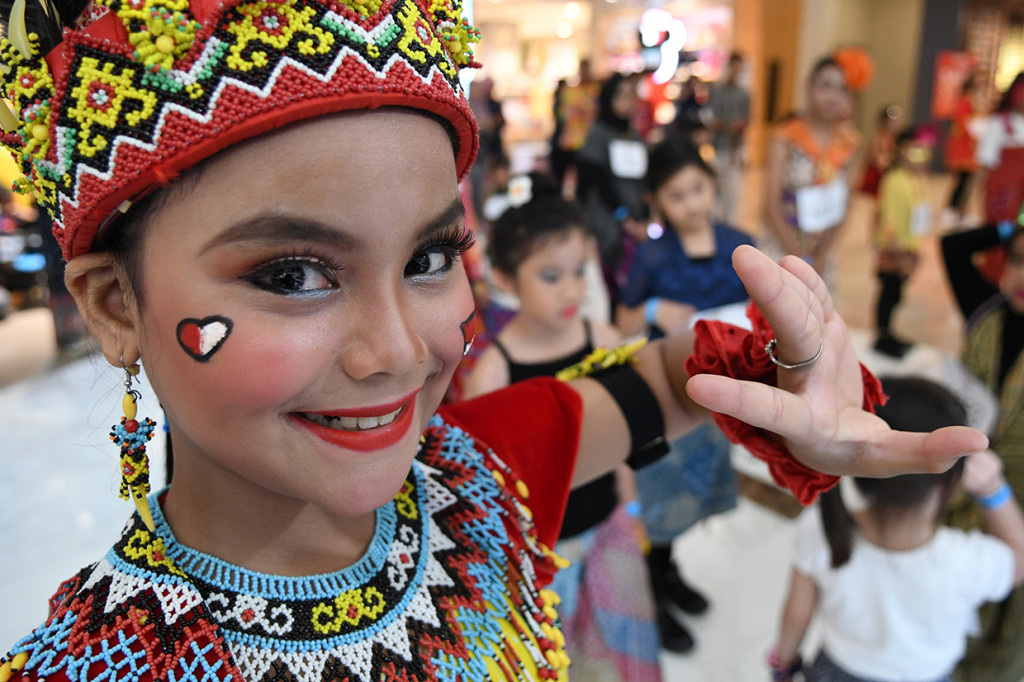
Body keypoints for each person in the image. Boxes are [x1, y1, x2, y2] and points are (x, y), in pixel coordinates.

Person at [0, 0, 988, 678]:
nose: (398, 349)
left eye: (430, 255)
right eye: (292, 274)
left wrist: (789, 375)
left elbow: (670, 381)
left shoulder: (476, 485)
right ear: (112, 304)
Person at [463, 173, 660, 681]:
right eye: (551, 277)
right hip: (544, 551)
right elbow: (488, 486)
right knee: (556, 658)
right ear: (505, 278)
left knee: (619, 647)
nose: (572, 290)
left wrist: (631, 505)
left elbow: (626, 439)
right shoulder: (494, 375)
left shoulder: (604, 338)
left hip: (608, 523)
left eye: (580, 271)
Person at [769, 376, 1024, 682]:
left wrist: (783, 663)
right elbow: (1018, 558)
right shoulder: (968, 561)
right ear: (954, 482)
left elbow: (797, 612)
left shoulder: (823, 525)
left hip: (834, 670)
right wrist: (993, 489)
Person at [615, 138, 754, 653]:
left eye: (698, 188)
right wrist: (652, 309)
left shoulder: (740, 243)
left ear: (713, 185)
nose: (693, 203)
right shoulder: (652, 257)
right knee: (659, 497)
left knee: (693, 496)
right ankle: (651, 585)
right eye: (678, 195)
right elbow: (622, 319)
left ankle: (668, 571)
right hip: (668, 397)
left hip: (721, 400)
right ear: (659, 202)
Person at [941, 222, 1024, 681]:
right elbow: (953, 247)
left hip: (1020, 495)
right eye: (1017, 260)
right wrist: (1013, 222)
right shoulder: (985, 308)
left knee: (1010, 604)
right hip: (962, 480)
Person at [762, 56, 860, 284]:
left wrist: (823, 257)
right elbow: (770, 205)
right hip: (782, 248)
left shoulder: (849, 144)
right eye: (825, 85)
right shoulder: (785, 137)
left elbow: (846, 205)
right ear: (809, 87)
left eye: (843, 89)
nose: (832, 96)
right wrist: (798, 255)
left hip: (822, 257)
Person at [576, 72, 649, 305]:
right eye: (622, 96)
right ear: (609, 99)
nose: (629, 102)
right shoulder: (598, 134)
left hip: (634, 219)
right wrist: (623, 216)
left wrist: (644, 215)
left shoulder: (633, 135)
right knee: (610, 280)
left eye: (631, 95)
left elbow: (641, 180)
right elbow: (598, 181)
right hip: (607, 220)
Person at [872, 127, 934, 358]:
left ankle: (888, 333)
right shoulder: (894, 180)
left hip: (907, 249)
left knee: (896, 293)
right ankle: (882, 336)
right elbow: (889, 220)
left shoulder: (911, 179)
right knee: (889, 292)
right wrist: (898, 252)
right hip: (895, 250)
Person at [707, 52, 751, 224]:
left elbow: (746, 122)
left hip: (734, 149)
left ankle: (728, 226)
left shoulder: (744, 94)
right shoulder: (716, 91)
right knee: (717, 190)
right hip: (718, 147)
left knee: (733, 194)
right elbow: (712, 119)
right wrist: (727, 127)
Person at [944, 73, 980, 223]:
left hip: (966, 149)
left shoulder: (966, 103)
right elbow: (963, 125)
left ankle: (960, 211)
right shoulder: (964, 103)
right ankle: (952, 210)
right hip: (963, 150)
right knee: (962, 181)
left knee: (965, 182)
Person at [858, 104, 902, 198]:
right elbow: (880, 162)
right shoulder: (878, 140)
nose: (897, 123)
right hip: (874, 185)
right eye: (893, 121)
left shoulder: (896, 141)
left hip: (886, 184)